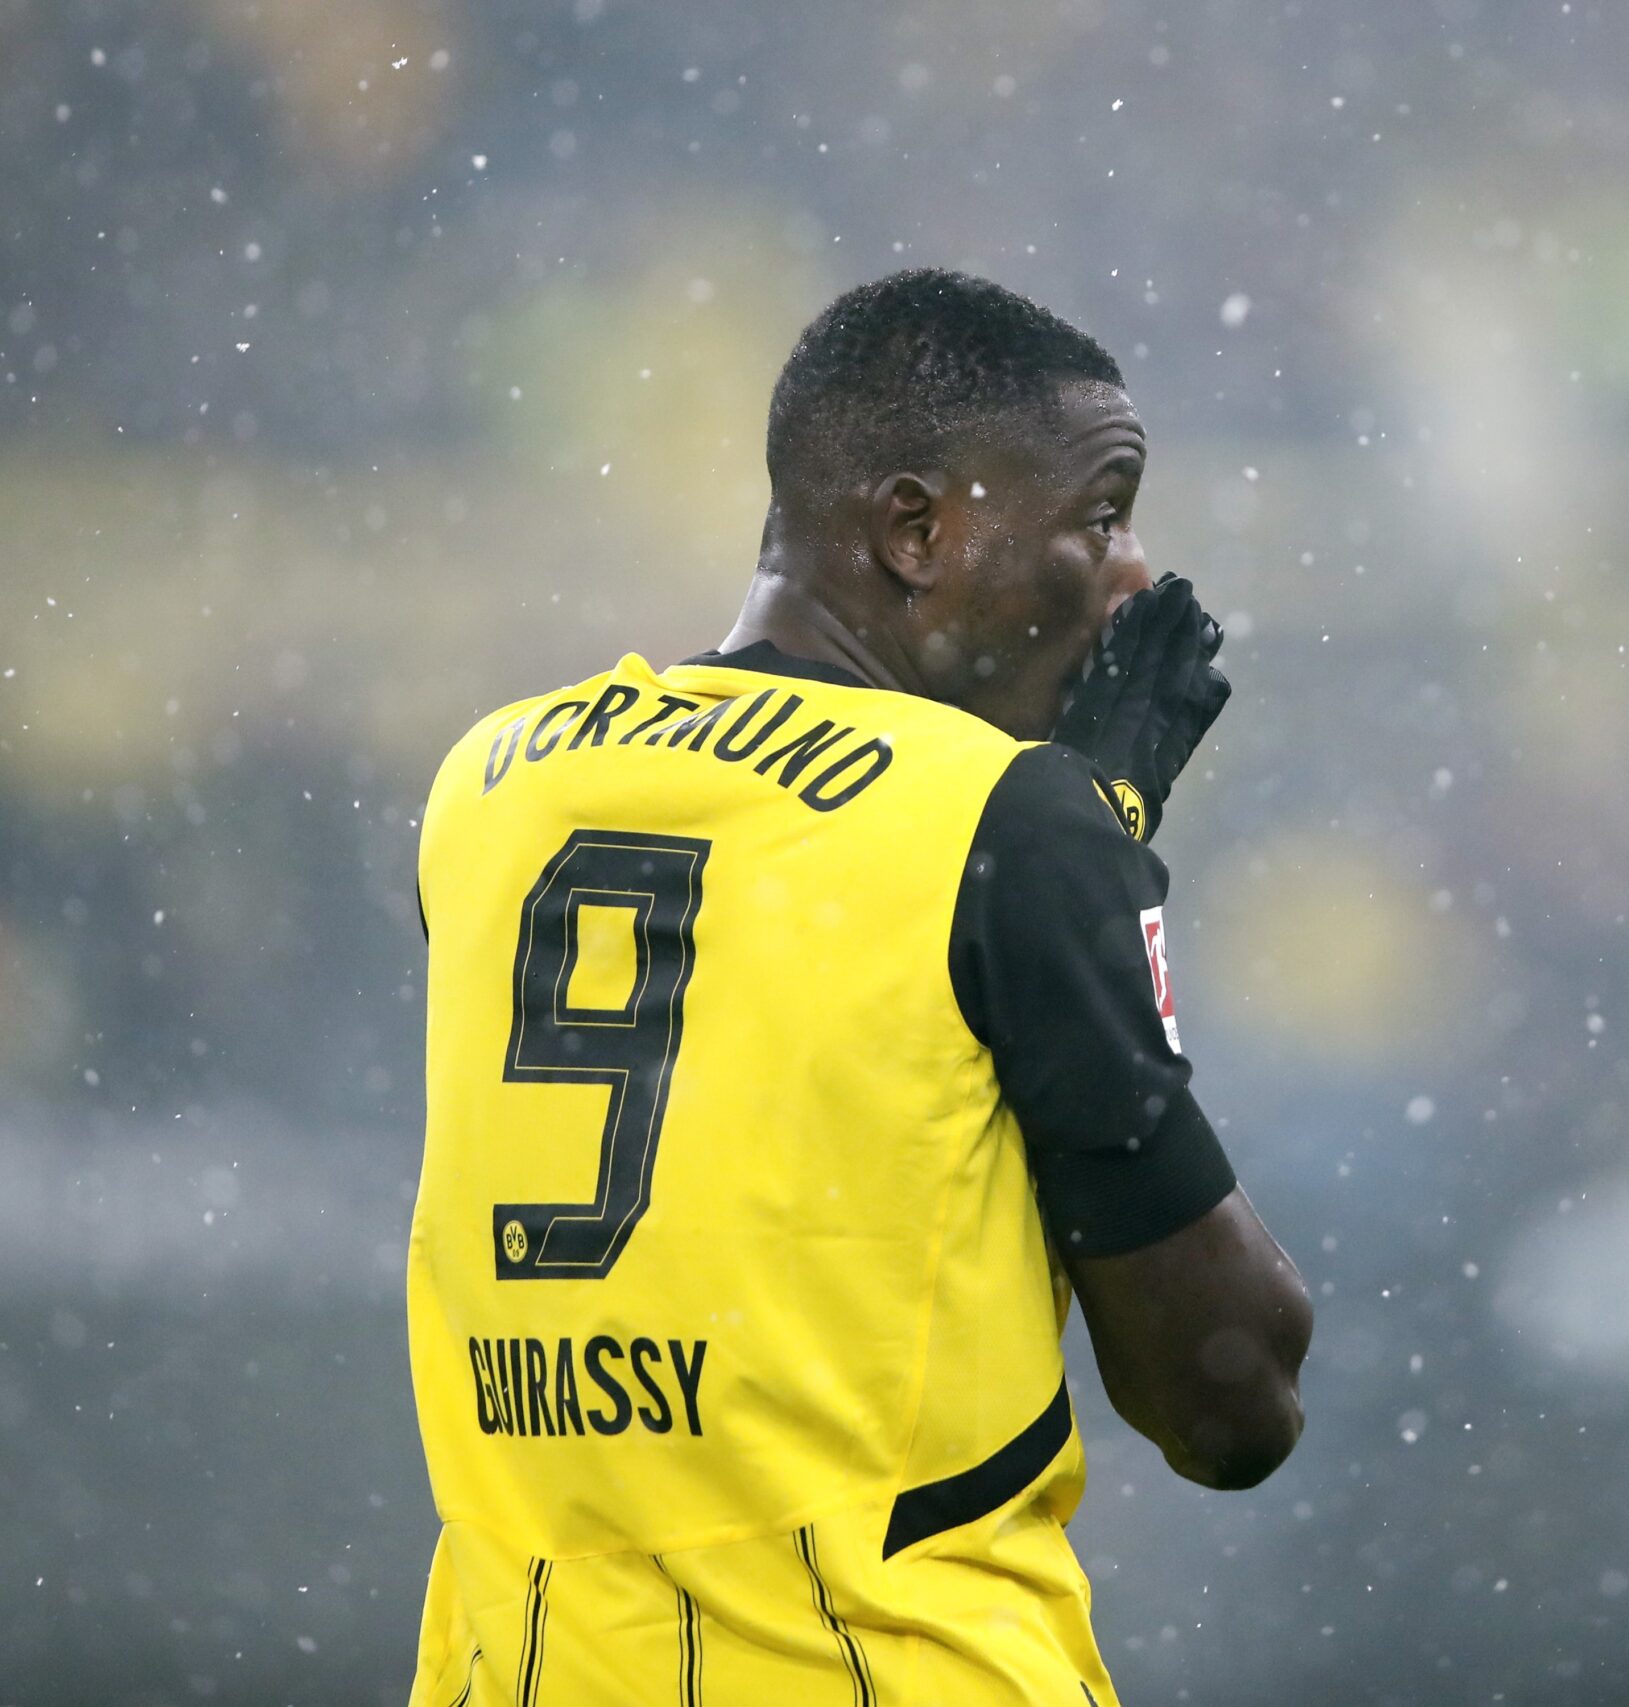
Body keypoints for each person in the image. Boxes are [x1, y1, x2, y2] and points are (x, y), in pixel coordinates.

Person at [404, 269, 1314, 1706]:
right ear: (914, 530)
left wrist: (1063, 833)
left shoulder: (488, 787)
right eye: (1102, 513)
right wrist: (1093, 846)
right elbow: (1231, 1401)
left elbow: (787, 1023)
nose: (1134, 571)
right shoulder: (1006, 829)